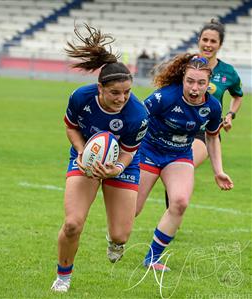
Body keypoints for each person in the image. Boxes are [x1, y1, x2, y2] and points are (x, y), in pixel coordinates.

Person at [50, 24, 149, 292]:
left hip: (123, 164)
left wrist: (115, 168)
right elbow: (71, 126)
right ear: (99, 88)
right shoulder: (80, 97)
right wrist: (83, 152)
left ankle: (114, 241)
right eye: (115, 92)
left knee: (121, 235)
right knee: (72, 224)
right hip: (85, 159)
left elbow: (129, 151)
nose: (122, 98)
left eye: (127, 92)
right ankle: (63, 277)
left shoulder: (138, 114)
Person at [135, 54, 234, 271]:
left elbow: (211, 136)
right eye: (190, 81)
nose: (195, 88)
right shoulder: (164, 97)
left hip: (179, 155)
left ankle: (152, 258)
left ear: (209, 83)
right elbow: (136, 117)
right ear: (183, 79)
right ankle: (115, 238)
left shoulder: (213, 107)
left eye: (201, 83)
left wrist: (218, 171)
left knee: (179, 202)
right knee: (132, 209)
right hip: (149, 150)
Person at [164, 19, 243, 208]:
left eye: (213, 41)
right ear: (198, 40)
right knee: (171, 170)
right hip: (176, 125)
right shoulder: (185, 65)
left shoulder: (228, 72)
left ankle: (172, 215)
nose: (208, 44)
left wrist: (230, 114)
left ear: (220, 44)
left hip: (204, 132)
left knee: (181, 167)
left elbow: (237, 96)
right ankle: (172, 214)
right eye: (205, 39)